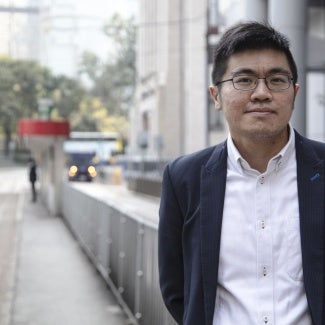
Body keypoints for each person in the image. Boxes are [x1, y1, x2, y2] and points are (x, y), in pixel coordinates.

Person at [158, 21, 325, 325]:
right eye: (244, 80)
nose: (261, 93)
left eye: (277, 80)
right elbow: (176, 289)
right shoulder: (184, 178)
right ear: (216, 96)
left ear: (295, 92)